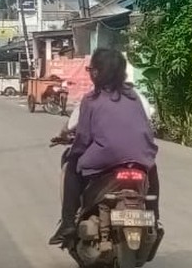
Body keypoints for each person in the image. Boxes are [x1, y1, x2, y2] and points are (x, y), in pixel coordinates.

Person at [50, 48, 157, 246]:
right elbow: (148, 122)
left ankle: (68, 223)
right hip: (141, 158)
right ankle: (155, 217)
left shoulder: (91, 100)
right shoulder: (135, 95)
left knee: (72, 164)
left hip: (107, 161)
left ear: (97, 72)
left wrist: (75, 150)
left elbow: (83, 138)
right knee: (151, 169)